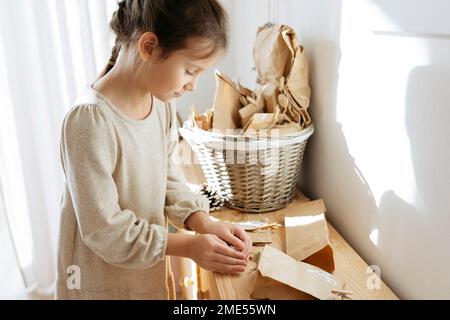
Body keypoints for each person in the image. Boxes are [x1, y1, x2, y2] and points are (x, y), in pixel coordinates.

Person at [56, 0, 252, 300]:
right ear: (148, 46)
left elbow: (167, 175)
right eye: (190, 70)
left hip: (143, 275)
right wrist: (187, 246)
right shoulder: (89, 121)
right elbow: (103, 230)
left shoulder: (160, 104)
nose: (192, 85)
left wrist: (203, 223)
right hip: (98, 285)